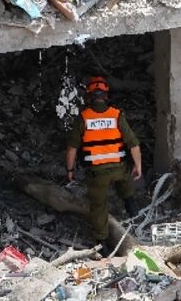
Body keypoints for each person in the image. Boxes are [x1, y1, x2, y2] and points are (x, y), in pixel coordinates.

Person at [65, 76, 143, 245]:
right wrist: (138, 166)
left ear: (89, 96)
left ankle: (102, 244)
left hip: (97, 173)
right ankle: (134, 214)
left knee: (99, 207)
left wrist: (70, 170)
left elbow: (72, 148)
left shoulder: (84, 118)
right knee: (125, 185)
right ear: (106, 96)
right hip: (119, 168)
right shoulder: (116, 115)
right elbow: (133, 144)